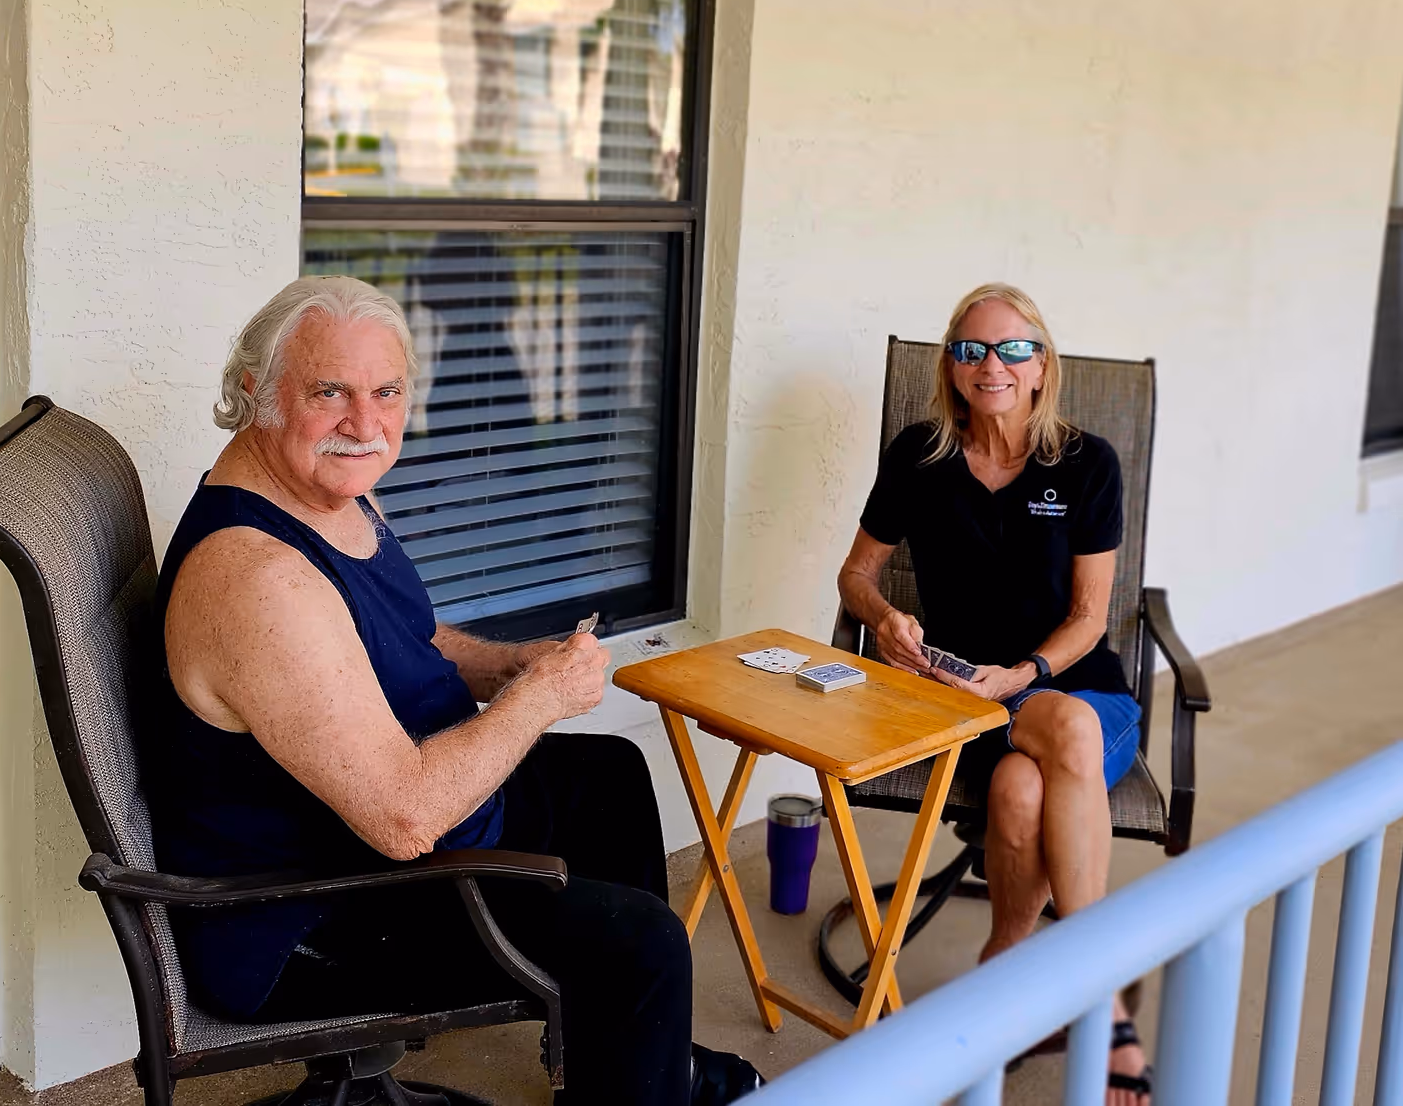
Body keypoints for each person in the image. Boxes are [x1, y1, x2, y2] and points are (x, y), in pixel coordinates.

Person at [146, 276, 760, 1106]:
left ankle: (627, 1062)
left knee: (609, 779)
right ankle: (638, 1061)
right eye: (330, 392)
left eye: (387, 392)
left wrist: (510, 667)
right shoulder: (258, 580)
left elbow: (410, 634)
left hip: (386, 822)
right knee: (640, 943)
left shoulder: (328, 489)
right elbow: (404, 819)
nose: (365, 424)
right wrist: (538, 699)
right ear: (258, 393)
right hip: (311, 912)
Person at [836, 282, 1151, 1106]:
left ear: (1042, 366)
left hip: (1075, 691)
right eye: (972, 349)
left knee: (1055, 747)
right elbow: (856, 575)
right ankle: (1043, 981)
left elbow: (1089, 618)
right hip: (965, 696)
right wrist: (884, 618)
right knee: (1018, 782)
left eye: (1014, 349)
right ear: (952, 367)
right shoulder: (919, 456)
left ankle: (1073, 986)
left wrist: (1025, 674)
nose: (993, 365)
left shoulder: (1087, 464)